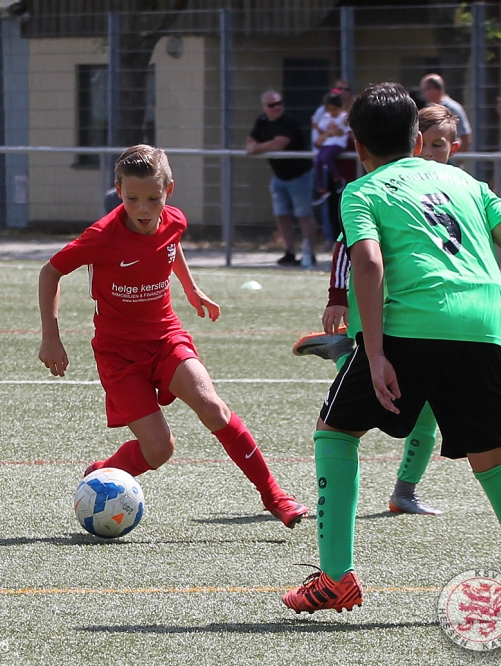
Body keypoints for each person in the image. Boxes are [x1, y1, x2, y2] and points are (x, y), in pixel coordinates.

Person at [282, 83, 501, 621]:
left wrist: (375, 353)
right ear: (418, 138)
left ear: (357, 144)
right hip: (483, 327)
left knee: (336, 431)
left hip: (410, 326)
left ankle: (336, 578)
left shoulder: (362, 190)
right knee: (495, 457)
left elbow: (369, 264)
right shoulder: (468, 182)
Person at [39, 144, 308, 529]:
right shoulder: (101, 236)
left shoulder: (174, 220)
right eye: (132, 198)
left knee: (212, 408)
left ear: (169, 189)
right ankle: (101, 473)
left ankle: (275, 496)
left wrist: (191, 288)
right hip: (118, 354)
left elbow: (170, 246)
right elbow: (50, 272)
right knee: (159, 449)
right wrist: (51, 336)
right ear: (119, 190)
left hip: (166, 337)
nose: (143, 209)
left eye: (153, 198)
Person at [292, 105, 462, 517]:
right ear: (413, 143)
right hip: (383, 312)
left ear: (454, 149)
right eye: (428, 144)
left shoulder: (455, 190)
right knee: (377, 400)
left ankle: (405, 491)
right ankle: (343, 352)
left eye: (441, 145)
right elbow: (346, 245)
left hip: (426, 317)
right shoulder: (380, 188)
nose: (433, 152)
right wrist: (336, 295)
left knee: (427, 413)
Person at [246, 91, 318, 267]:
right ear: (264, 108)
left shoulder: (289, 121)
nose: (277, 107)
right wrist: (257, 146)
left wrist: (258, 148)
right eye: (272, 105)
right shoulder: (261, 121)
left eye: (279, 103)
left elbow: (279, 144)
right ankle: (289, 252)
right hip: (279, 177)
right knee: (282, 215)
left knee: (304, 215)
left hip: (299, 176)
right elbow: (250, 142)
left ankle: (309, 254)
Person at [312, 92, 350, 205]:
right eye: (330, 110)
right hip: (327, 143)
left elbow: (341, 132)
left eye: (334, 110)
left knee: (326, 157)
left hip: (338, 144)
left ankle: (338, 178)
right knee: (318, 161)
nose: (332, 112)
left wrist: (333, 130)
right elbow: (323, 132)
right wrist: (317, 127)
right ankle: (321, 189)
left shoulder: (343, 117)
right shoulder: (326, 117)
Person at [420, 73, 472, 150]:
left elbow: (465, 138)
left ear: (434, 89)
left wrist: (455, 156)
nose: (423, 94)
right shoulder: (427, 107)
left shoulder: (452, 108)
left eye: (424, 90)